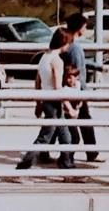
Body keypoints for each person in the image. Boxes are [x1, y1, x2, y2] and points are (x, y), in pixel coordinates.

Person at [17, 29, 74, 170]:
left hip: (45, 99)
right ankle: (23, 167)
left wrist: (38, 103)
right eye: (69, 43)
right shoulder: (57, 61)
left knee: (65, 136)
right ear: (64, 43)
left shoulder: (44, 57)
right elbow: (57, 88)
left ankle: (67, 166)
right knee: (45, 137)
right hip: (53, 102)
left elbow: (37, 81)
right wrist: (70, 108)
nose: (69, 47)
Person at [55, 13, 99, 162]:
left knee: (61, 122)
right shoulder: (74, 47)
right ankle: (90, 152)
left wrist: (96, 66)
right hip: (77, 90)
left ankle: (91, 152)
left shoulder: (71, 45)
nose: (86, 28)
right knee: (83, 121)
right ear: (80, 27)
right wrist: (83, 92)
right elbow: (76, 69)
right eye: (85, 26)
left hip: (74, 89)